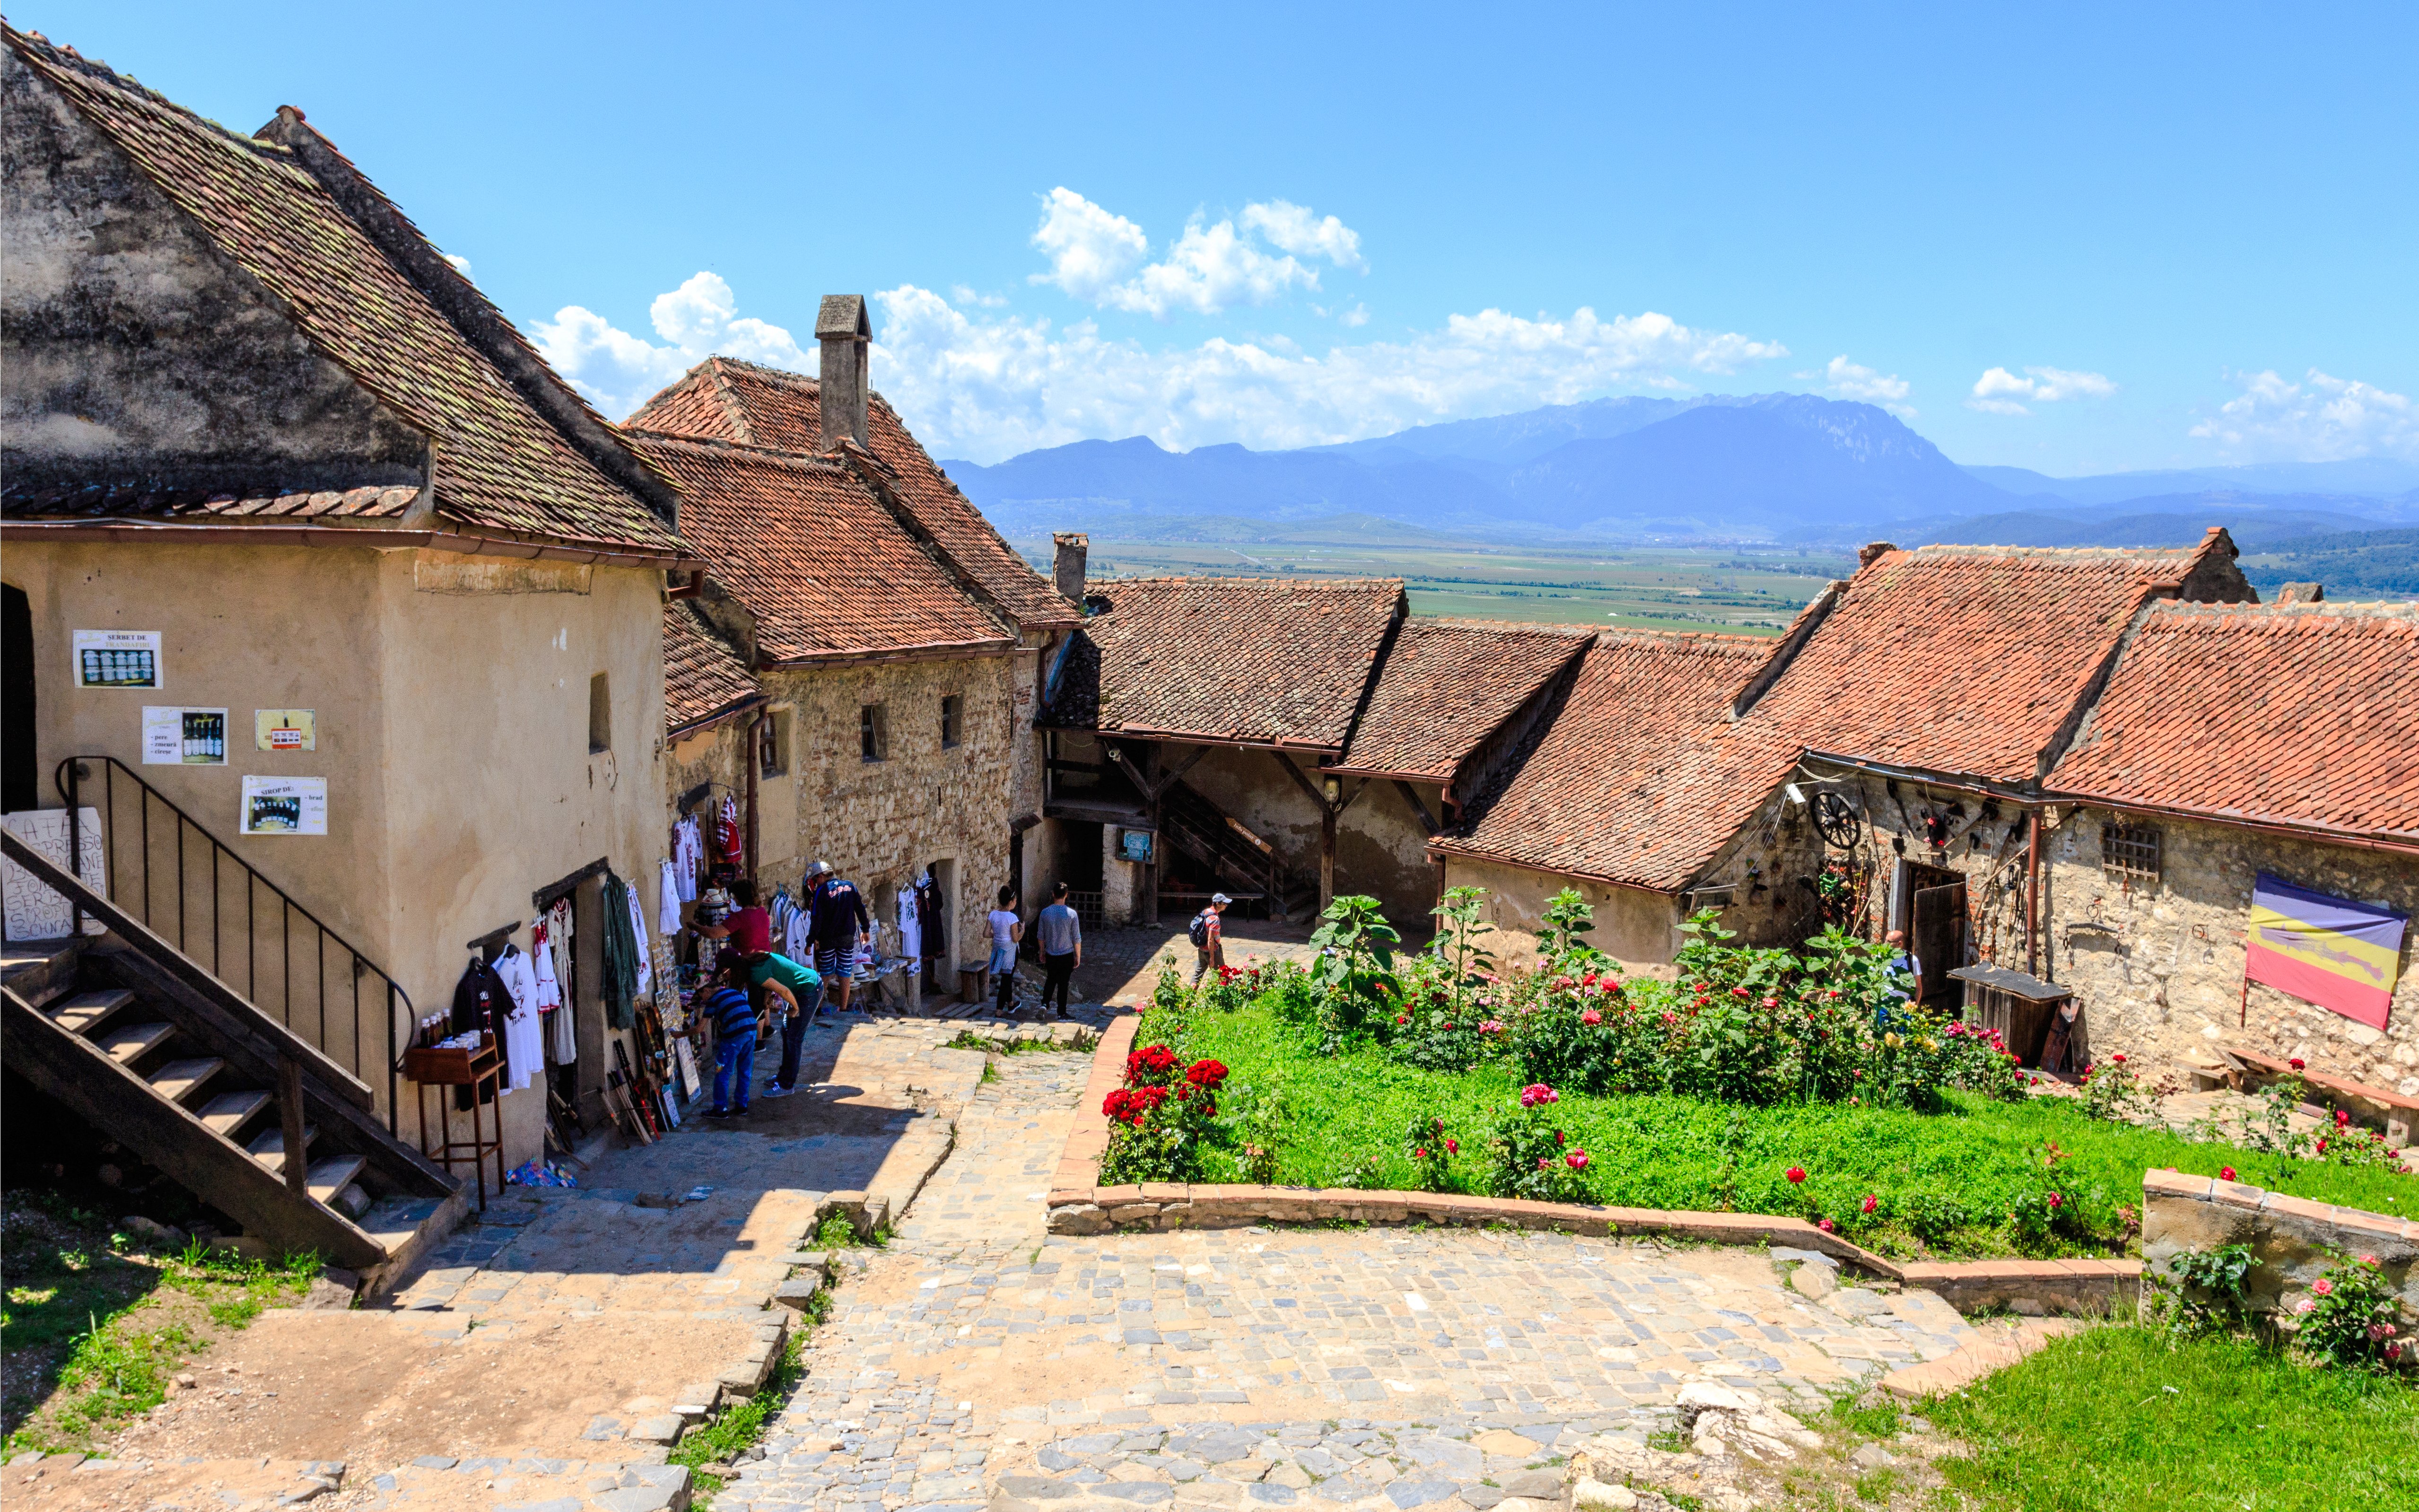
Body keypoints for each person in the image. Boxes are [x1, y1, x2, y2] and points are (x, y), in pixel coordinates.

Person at [745, 948, 825, 1098]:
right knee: (786, 1031)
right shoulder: (758, 962)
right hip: (802, 989)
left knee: (794, 1038)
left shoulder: (756, 972)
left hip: (809, 989)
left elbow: (785, 992)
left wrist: (795, 1008)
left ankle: (787, 1085)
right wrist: (766, 1000)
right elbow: (771, 982)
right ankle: (783, 1076)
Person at [694, 959, 766, 1118]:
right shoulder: (734, 992)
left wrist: (680, 1034)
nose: (702, 1000)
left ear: (706, 991)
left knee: (722, 1072)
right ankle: (742, 1105)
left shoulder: (713, 1001)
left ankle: (720, 1109)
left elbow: (699, 1028)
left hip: (735, 1036)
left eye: (701, 995)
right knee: (745, 1070)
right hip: (751, 1031)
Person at [804, 861, 870, 1014]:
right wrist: (865, 929)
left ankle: (818, 1008)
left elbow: (816, 920)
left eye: (814, 880)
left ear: (821, 877)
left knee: (826, 972)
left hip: (828, 939)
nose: (814, 884)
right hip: (847, 937)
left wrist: (810, 942)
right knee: (845, 971)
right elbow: (860, 909)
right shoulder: (850, 886)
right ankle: (844, 1007)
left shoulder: (821, 892)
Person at [1036, 881, 1082, 1019]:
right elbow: (1077, 938)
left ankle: (1044, 1004)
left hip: (1051, 954)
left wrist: (1042, 951)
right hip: (1066, 955)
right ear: (1066, 895)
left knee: (1050, 979)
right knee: (1063, 984)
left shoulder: (1045, 913)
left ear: (1053, 894)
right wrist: (1078, 956)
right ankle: (1061, 1012)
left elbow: (1040, 936)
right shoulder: (1072, 914)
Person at [701, 877, 773, 955]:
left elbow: (713, 933)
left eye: (735, 896)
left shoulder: (740, 918)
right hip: (766, 958)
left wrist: (695, 926)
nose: (734, 899)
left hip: (751, 962)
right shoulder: (762, 911)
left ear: (741, 897)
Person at [987, 885, 1022, 1013]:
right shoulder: (1012, 918)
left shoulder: (993, 914)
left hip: (997, 950)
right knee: (1007, 979)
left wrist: (996, 934)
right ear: (1011, 902)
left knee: (1006, 977)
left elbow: (986, 933)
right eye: (1016, 901)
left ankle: (1011, 1004)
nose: (1016, 903)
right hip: (1009, 952)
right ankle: (999, 1009)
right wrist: (1022, 931)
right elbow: (1015, 938)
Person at [1191, 892, 1229, 984]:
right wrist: (1212, 957)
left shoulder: (1206, 912)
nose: (1226, 906)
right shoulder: (1215, 919)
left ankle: (1189, 995)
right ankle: (1222, 996)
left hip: (1201, 950)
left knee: (1197, 975)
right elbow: (1211, 940)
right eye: (1224, 904)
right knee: (1221, 975)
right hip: (1212, 951)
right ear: (1218, 904)